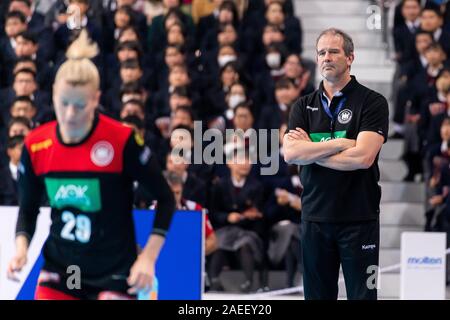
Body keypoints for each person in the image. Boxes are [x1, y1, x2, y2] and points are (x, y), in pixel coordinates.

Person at [6, 30, 175, 300]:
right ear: (52, 95)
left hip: (115, 273)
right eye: (64, 103)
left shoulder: (121, 141)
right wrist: (21, 249)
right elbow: (28, 210)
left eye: (80, 105)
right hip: (66, 270)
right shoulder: (36, 146)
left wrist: (148, 258)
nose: (70, 114)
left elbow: (166, 199)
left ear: (96, 99)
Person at [284, 28, 389, 300]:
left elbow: (363, 158)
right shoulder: (302, 106)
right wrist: (341, 143)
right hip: (315, 219)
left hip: (359, 219)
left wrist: (313, 150)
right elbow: (291, 154)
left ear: (350, 57)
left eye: (333, 51)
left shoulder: (372, 102)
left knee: (363, 296)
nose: (326, 57)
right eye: (321, 52)